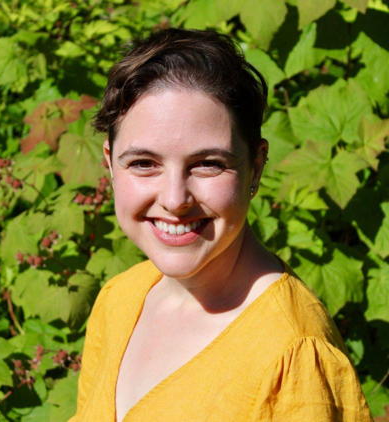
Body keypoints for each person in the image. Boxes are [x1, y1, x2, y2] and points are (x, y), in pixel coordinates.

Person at [69, 29, 372, 421]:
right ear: (110, 163)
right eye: (144, 163)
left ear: (256, 166)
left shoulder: (292, 353)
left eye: (208, 164)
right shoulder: (119, 300)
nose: (175, 199)